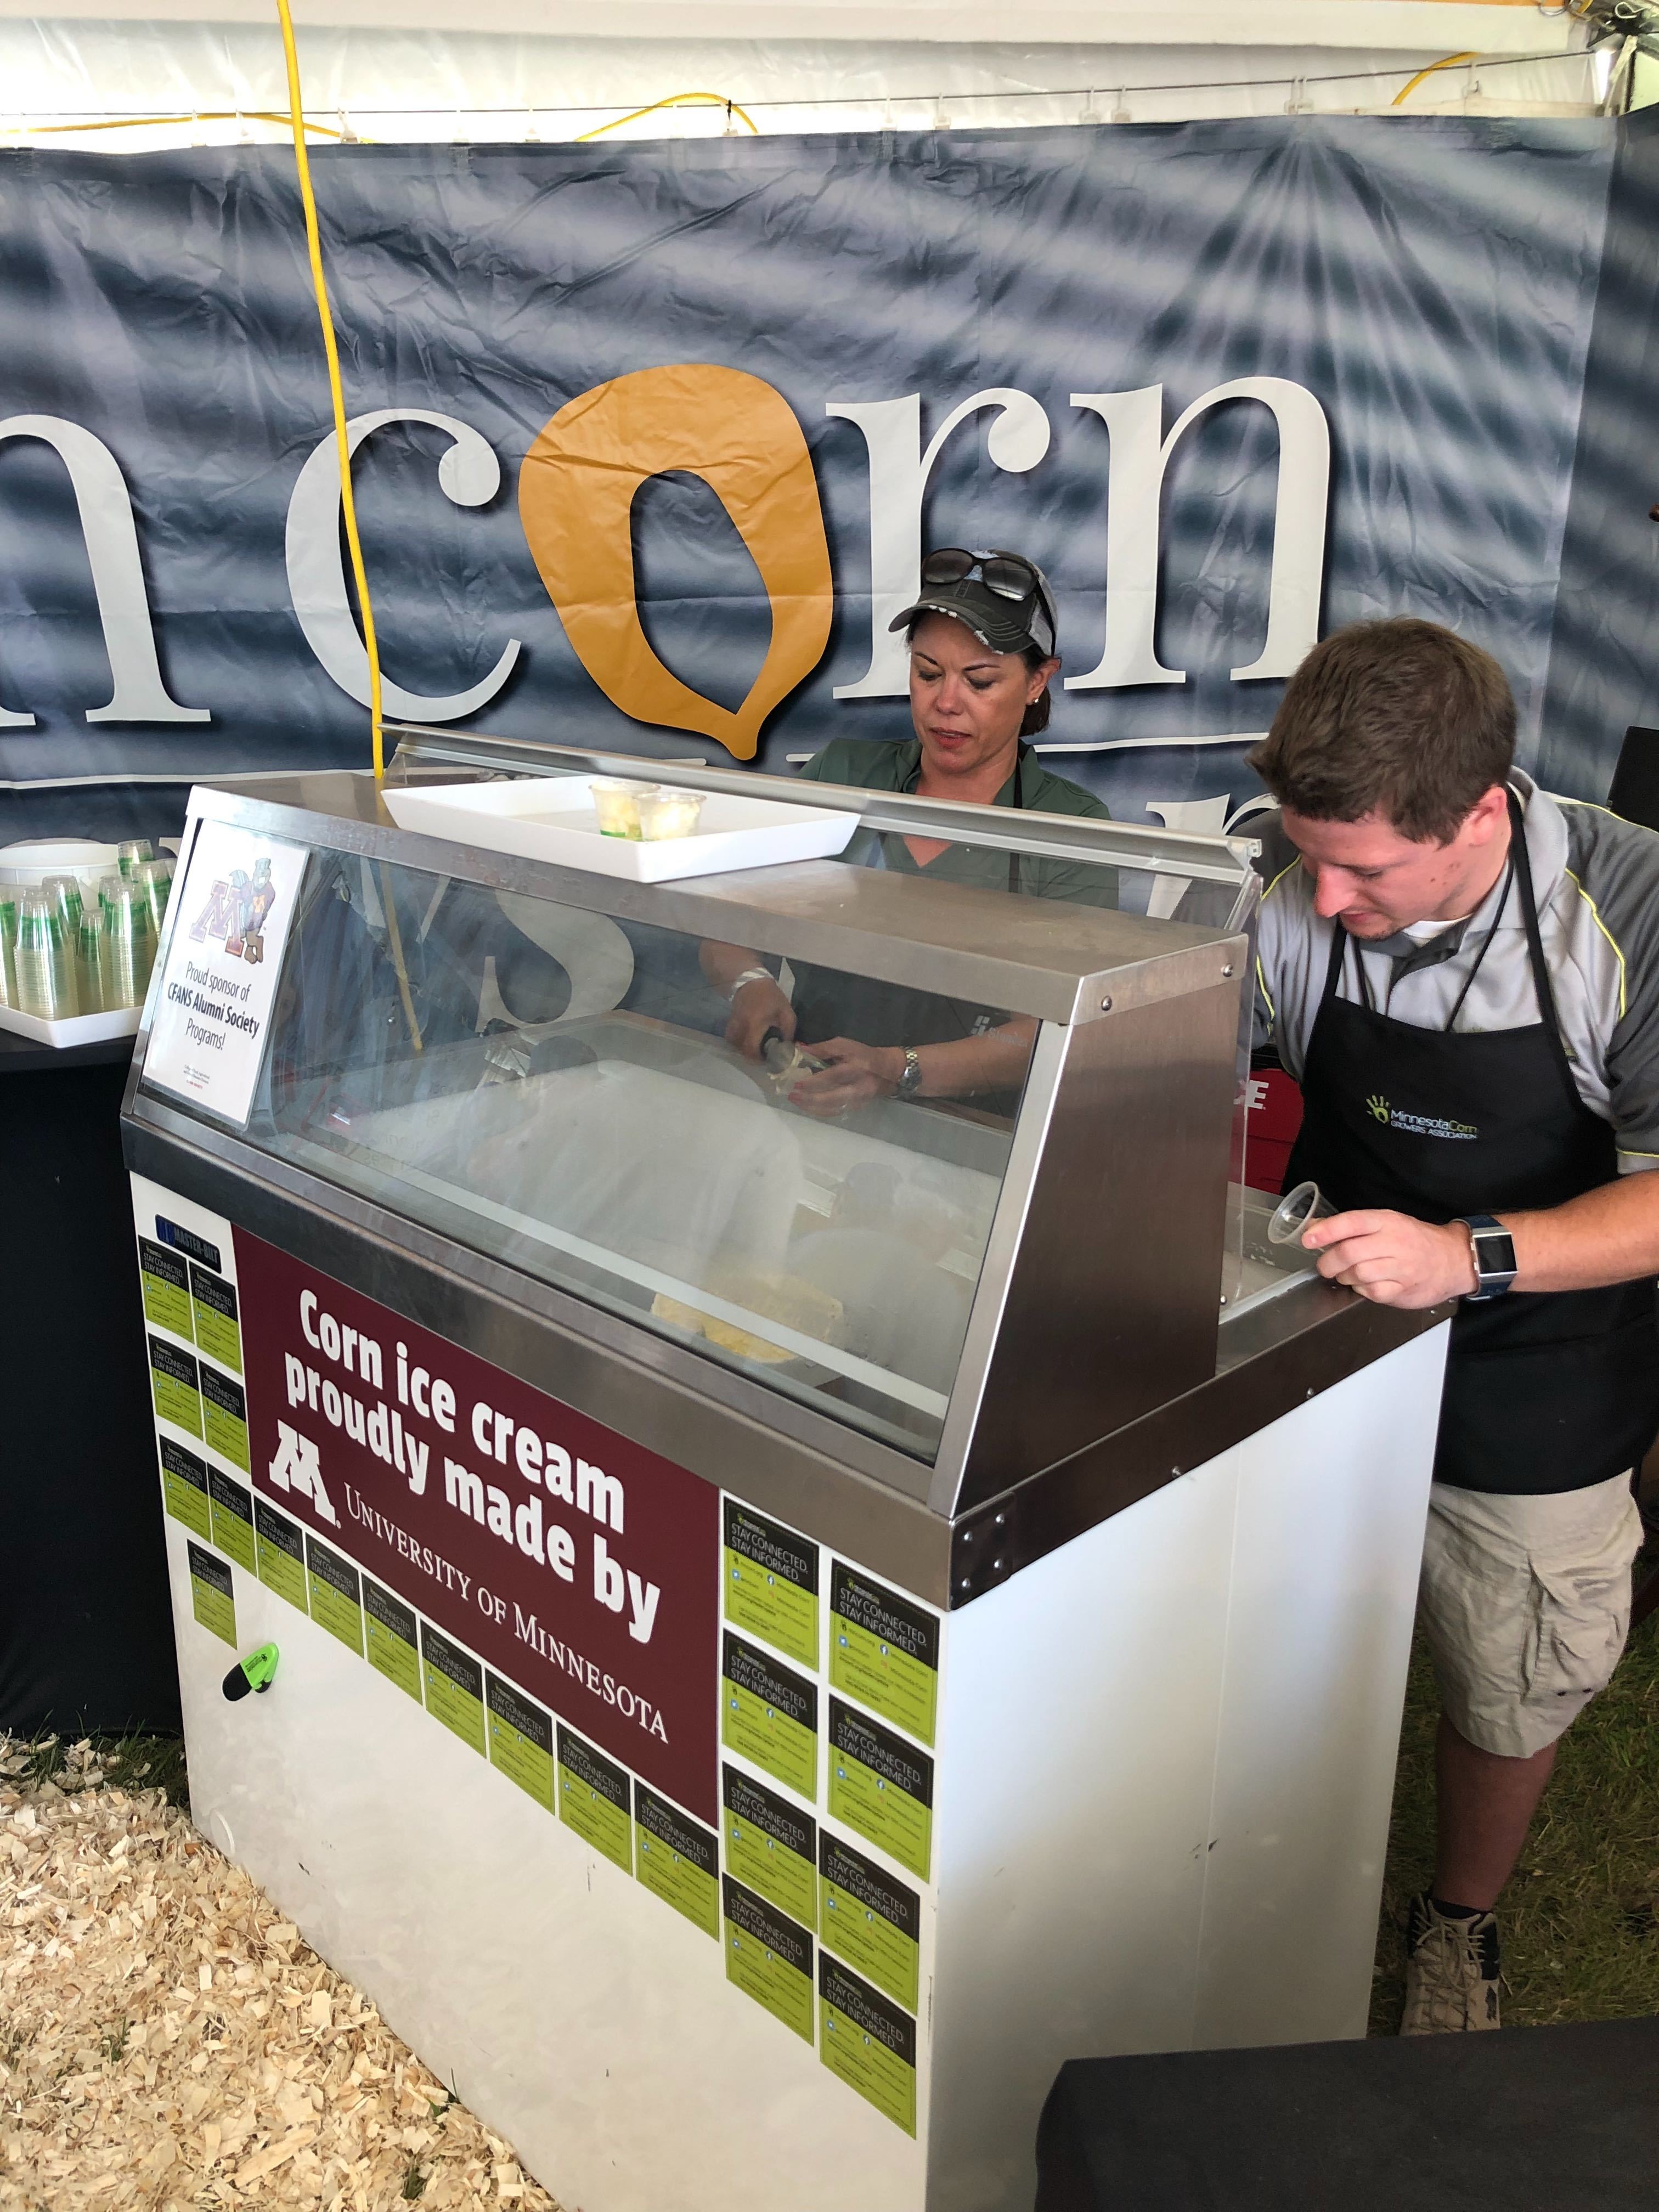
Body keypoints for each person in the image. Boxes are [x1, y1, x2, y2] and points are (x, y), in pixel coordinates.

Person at [1250, 618, 1659, 2035]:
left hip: (1545, 1360)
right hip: (1329, 1328)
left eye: (1365, 871)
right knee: (1283, 1634)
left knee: (1509, 1671)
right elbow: (1148, 1038)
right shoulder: (1284, 890)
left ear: (1480, 815)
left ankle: (1457, 1922)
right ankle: (1262, 1871)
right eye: (1310, 856)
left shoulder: (1627, 907)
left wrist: (1466, 1257)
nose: (1326, 896)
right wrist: (925, 1066)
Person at [701, 548, 1116, 1118]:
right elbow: (725, 919)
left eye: (980, 681)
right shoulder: (844, 776)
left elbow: (1053, 1031)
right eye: (928, 673)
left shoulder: (1072, 827)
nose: (946, 703)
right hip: (806, 1104)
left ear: (1037, 681)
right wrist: (750, 982)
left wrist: (898, 1069)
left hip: (971, 1137)